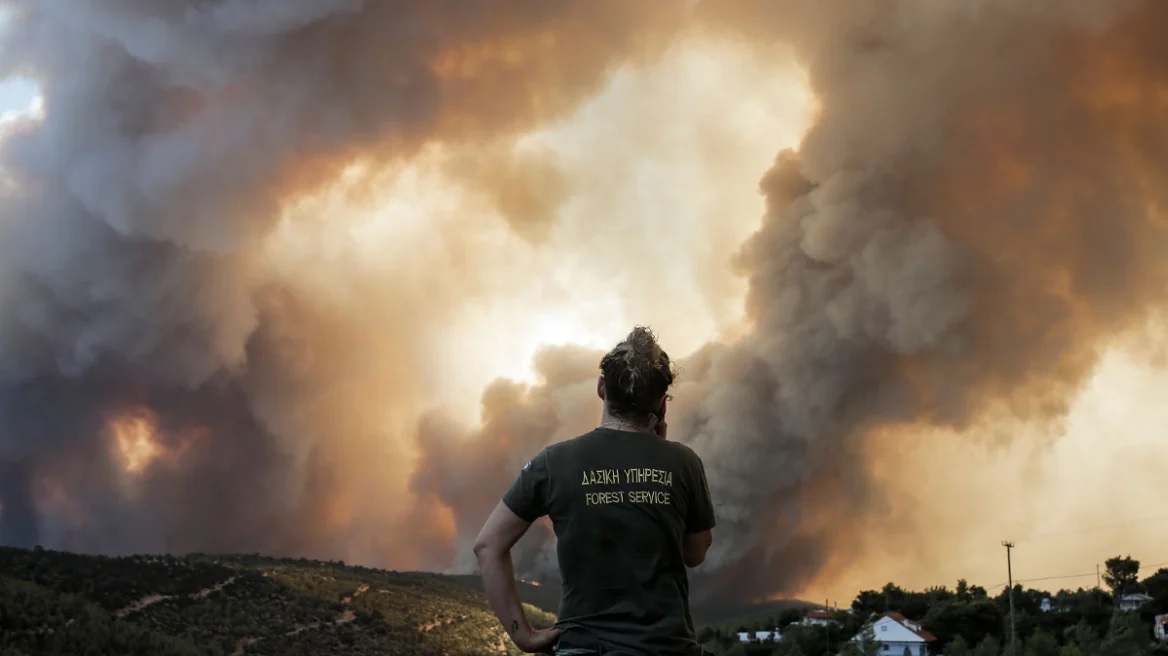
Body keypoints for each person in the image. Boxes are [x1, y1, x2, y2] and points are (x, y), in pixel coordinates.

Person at [472, 326, 717, 655]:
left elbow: (488, 545)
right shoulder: (684, 462)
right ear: (661, 404)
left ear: (602, 387)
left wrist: (523, 635)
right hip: (666, 648)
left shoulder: (553, 462)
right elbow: (695, 554)